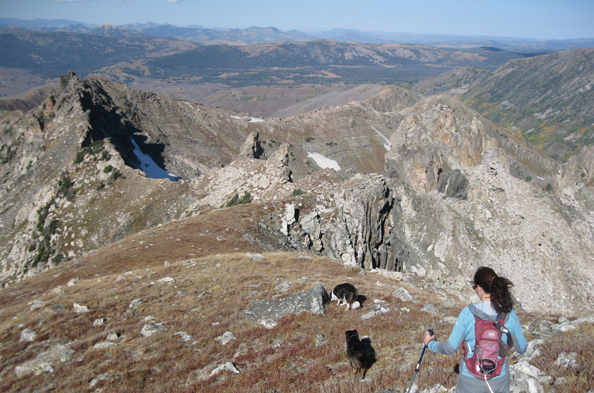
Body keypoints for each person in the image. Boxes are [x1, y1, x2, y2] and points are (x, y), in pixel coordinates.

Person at [423, 266, 527, 393]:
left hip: (470, 379)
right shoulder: (509, 314)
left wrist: (430, 343)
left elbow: (449, 348)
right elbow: (522, 348)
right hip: (499, 379)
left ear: (478, 288)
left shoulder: (468, 313)